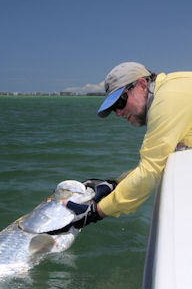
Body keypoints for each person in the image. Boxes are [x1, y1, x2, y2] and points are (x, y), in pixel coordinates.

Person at [52, 61, 192, 234]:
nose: (118, 113)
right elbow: (155, 163)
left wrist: (97, 212)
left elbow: (149, 172)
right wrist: (115, 184)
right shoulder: (171, 91)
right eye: (113, 108)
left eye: (120, 102)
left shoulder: (168, 100)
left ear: (142, 84)